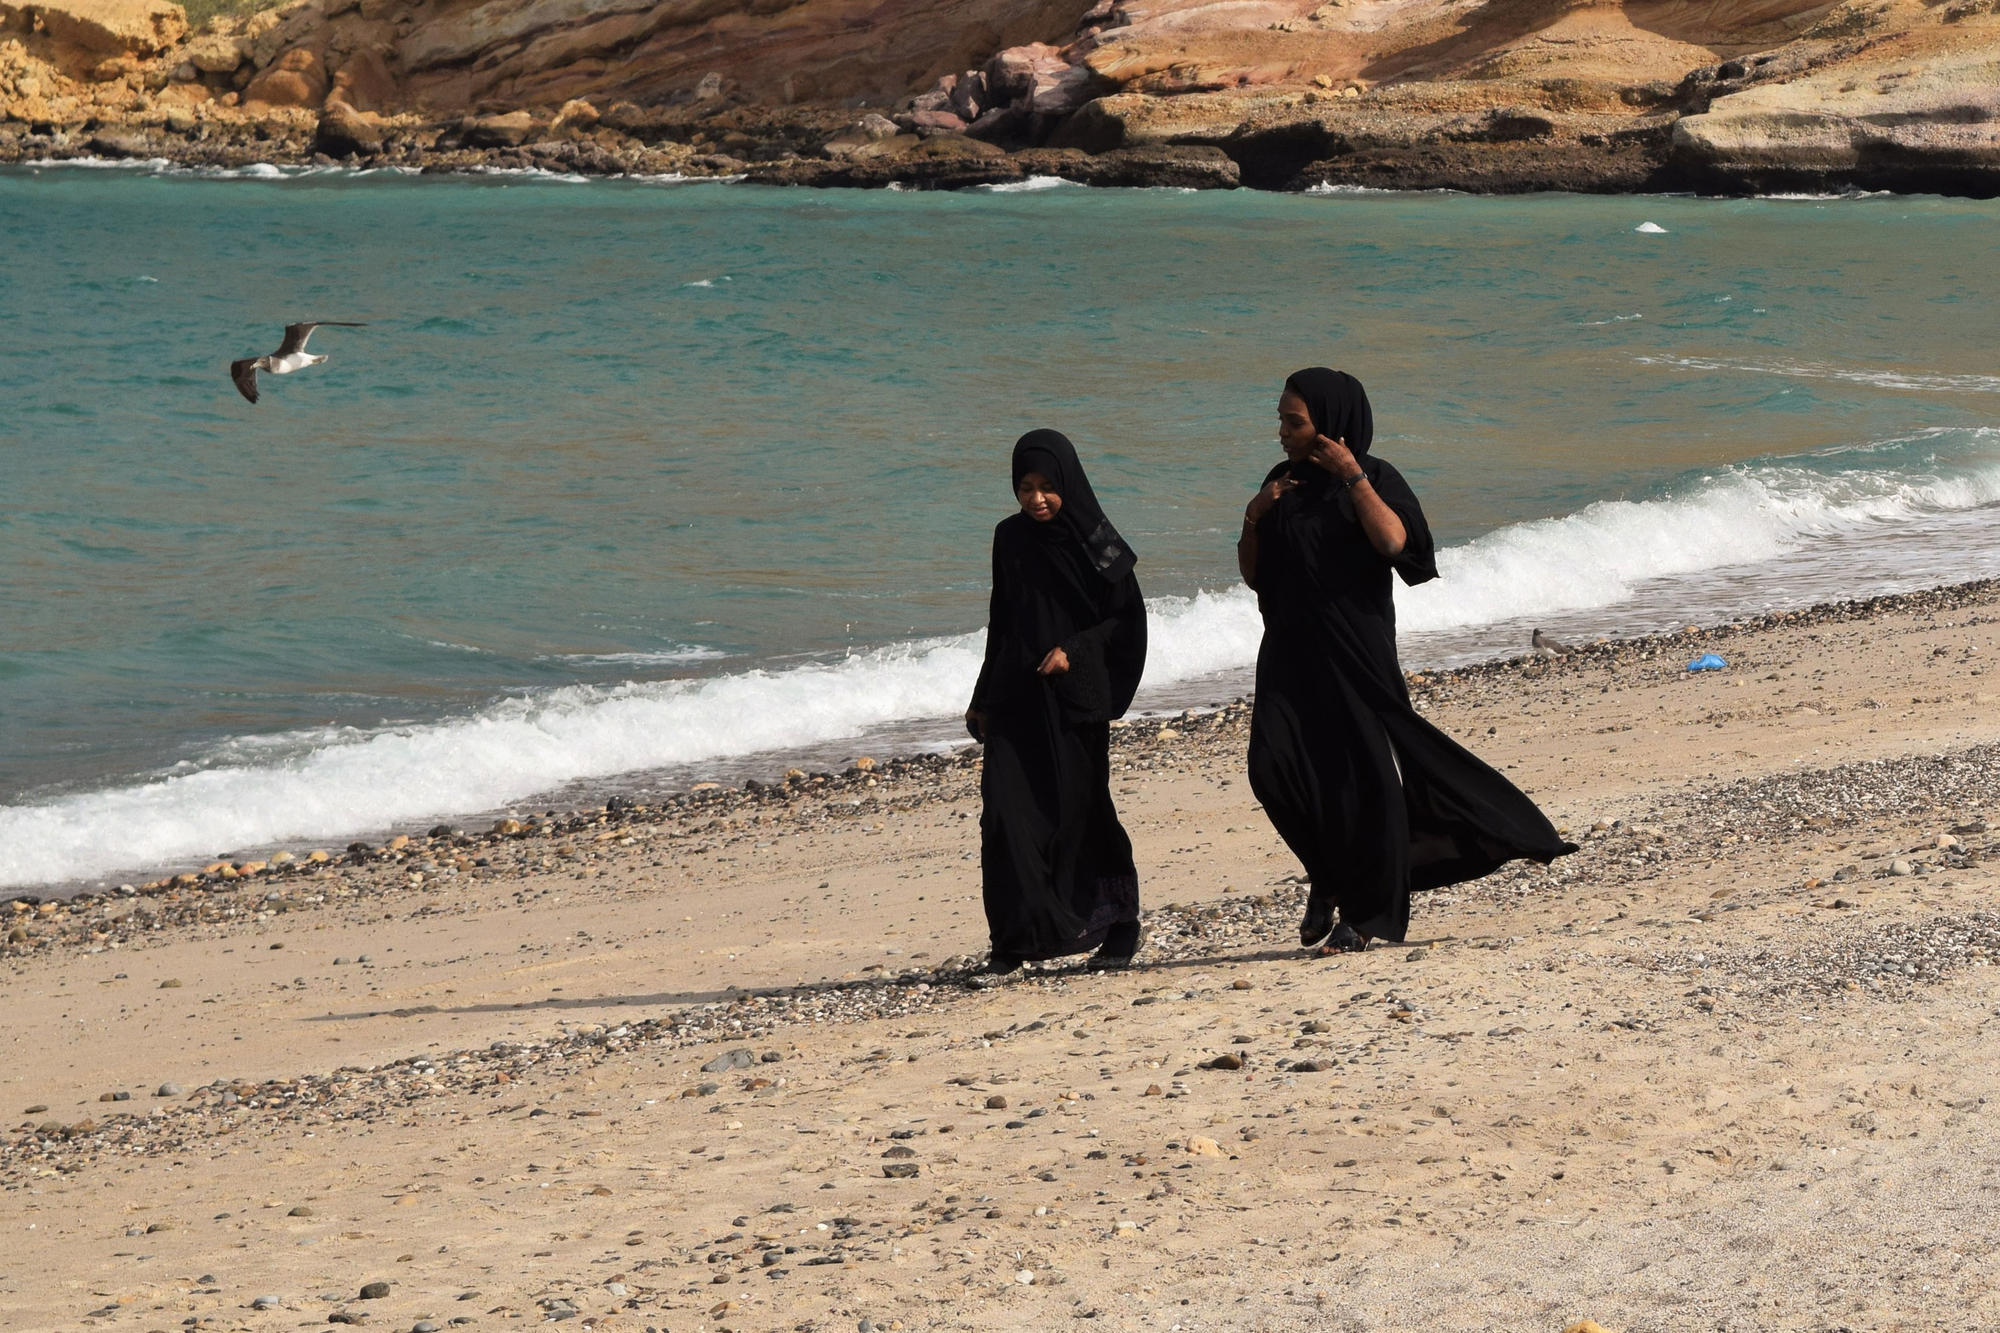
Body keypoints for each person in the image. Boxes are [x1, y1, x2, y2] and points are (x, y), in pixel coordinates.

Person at [1237, 368, 1575, 953]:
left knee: (1363, 782)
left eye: (1294, 421)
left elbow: (1396, 544)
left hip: (1357, 652)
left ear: (1332, 424)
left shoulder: (1377, 477)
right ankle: (1329, 876)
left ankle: (1366, 916)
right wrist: (1253, 515)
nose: (1282, 432)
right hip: (1289, 654)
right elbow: (1252, 575)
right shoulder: (1280, 481)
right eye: (1282, 420)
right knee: (1272, 770)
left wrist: (1354, 479)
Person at [966, 430, 1149, 973]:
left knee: (1082, 812)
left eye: (1048, 486)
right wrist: (981, 696)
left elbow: (1127, 622)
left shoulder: (1100, 542)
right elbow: (1002, 619)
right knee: (1004, 816)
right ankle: (1012, 942)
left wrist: (1075, 649)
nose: (1037, 498)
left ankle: (1119, 924)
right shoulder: (1009, 537)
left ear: (1068, 482)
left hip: (1074, 703)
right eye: (1025, 486)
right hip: (1014, 698)